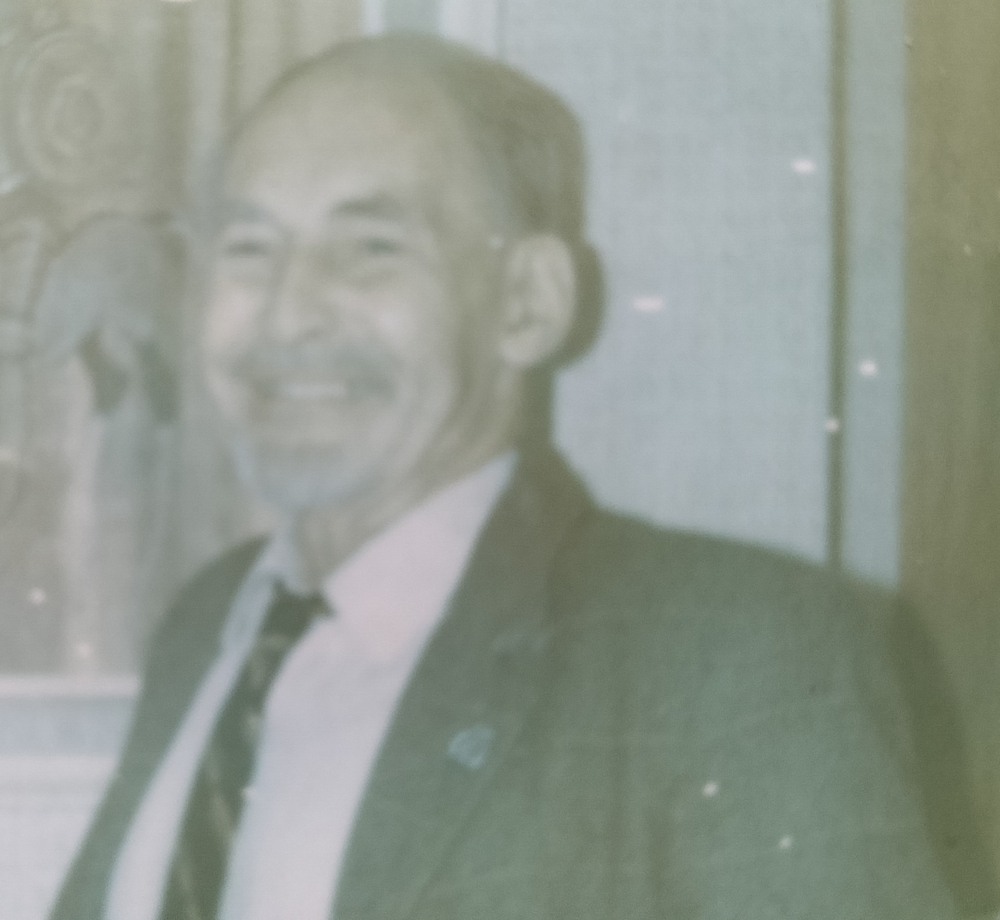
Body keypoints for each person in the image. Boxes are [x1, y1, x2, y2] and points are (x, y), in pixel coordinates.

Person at [50, 33, 968, 920]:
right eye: (248, 249)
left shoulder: (738, 661)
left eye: (371, 248)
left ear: (528, 302)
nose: (287, 314)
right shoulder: (209, 626)